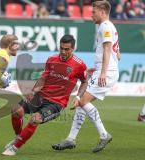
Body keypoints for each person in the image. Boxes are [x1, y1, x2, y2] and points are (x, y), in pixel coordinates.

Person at [52, 0, 121, 153]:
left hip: (106, 71)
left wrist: (102, 72)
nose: (91, 15)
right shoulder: (110, 26)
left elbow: (108, 49)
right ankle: (70, 139)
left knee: (82, 101)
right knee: (82, 105)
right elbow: (116, 51)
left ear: (102, 11)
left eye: (94, 12)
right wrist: (97, 68)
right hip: (105, 69)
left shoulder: (105, 26)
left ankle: (104, 134)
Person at [2, 34, 88, 156]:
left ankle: (14, 148)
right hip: (40, 96)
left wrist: (78, 97)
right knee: (16, 110)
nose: (63, 52)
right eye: (61, 48)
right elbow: (43, 78)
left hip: (56, 103)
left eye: (67, 49)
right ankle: (18, 137)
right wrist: (33, 91)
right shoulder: (52, 59)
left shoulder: (79, 65)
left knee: (35, 119)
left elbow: (84, 81)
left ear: (73, 49)